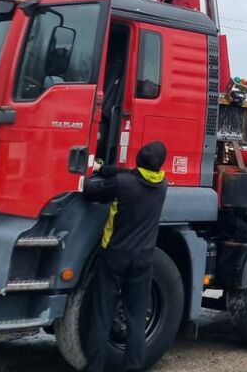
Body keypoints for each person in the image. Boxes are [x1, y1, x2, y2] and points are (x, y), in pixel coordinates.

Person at [82, 141, 169, 372]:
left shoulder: (123, 184)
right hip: (144, 260)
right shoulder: (163, 185)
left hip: (115, 257)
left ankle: (94, 367)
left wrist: (96, 172)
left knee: (102, 315)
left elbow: (90, 192)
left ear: (138, 159)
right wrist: (107, 168)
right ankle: (132, 367)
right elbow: (132, 175)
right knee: (136, 319)